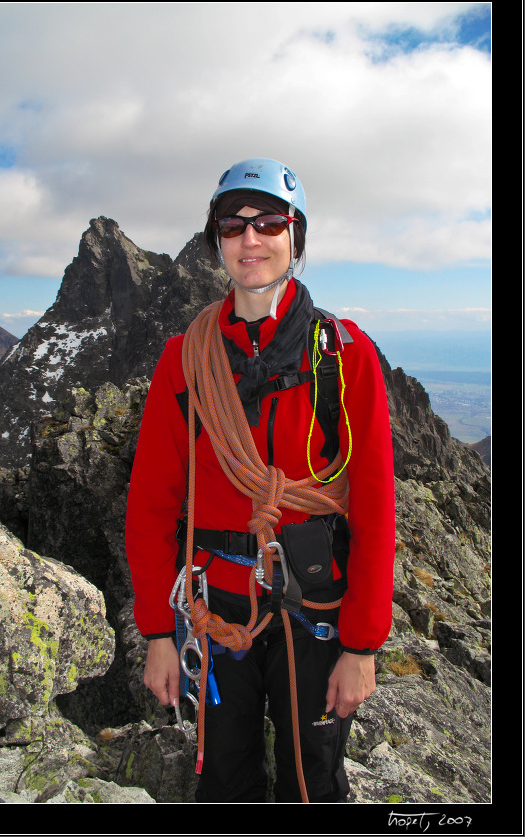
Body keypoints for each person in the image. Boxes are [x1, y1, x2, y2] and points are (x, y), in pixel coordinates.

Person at [125, 157, 395, 803]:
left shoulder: (344, 356)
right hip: (218, 611)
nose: (251, 239)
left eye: (269, 223)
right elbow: (152, 502)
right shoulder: (184, 359)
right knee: (223, 779)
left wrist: (362, 647)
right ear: (216, 240)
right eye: (233, 225)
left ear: (294, 237)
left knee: (313, 780)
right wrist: (159, 636)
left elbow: (376, 506)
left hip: (318, 612)